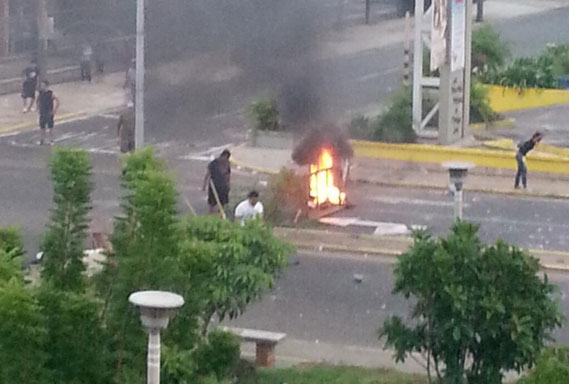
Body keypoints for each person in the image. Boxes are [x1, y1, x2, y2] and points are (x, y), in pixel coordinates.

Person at [203, 149, 231, 214]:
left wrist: (204, 185)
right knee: (221, 204)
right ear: (226, 156)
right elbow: (228, 176)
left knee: (212, 204)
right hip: (222, 186)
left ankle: (212, 215)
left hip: (215, 186)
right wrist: (228, 186)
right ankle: (219, 215)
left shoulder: (214, 162)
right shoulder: (226, 163)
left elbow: (207, 174)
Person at [37, 81, 60, 145]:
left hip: (48, 112)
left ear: (46, 86)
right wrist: (38, 108)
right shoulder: (40, 93)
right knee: (42, 127)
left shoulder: (50, 93)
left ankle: (51, 140)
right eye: (41, 86)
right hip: (42, 112)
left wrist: (54, 111)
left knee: (50, 127)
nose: (42, 87)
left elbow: (57, 101)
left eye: (43, 85)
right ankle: (42, 140)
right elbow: (38, 101)